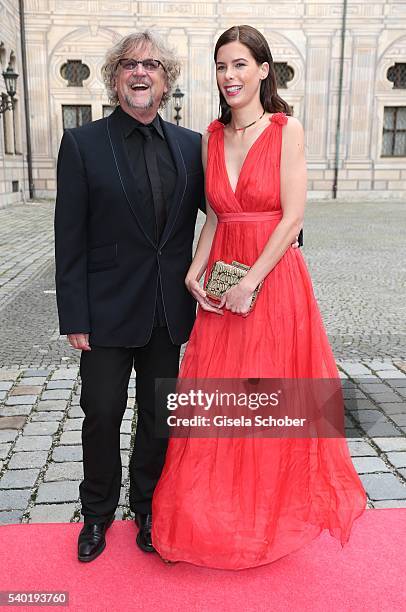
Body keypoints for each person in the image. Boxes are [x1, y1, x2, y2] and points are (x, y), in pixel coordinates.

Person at [152, 25, 367, 570]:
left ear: (263, 71)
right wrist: (195, 273)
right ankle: (216, 515)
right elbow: (217, 217)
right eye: (222, 66)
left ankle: (268, 516)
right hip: (225, 283)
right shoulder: (210, 135)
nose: (230, 76)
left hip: (273, 283)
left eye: (241, 65)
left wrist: (253, 280)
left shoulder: (285, 129)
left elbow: (293, 216)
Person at [54, 31, 205, 562]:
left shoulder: (191, 146)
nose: (141, 73)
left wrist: (278, 229)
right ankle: (96, 513)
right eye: (129, 65)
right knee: (100, 412)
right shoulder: (82, 144)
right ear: (115, 76)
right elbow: (68, 238)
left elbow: (227, 209)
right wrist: (74, 315)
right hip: (105, 311)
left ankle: (147, 508)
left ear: (167, 81)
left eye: (153, 66)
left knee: (158, 415)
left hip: (168, 310)